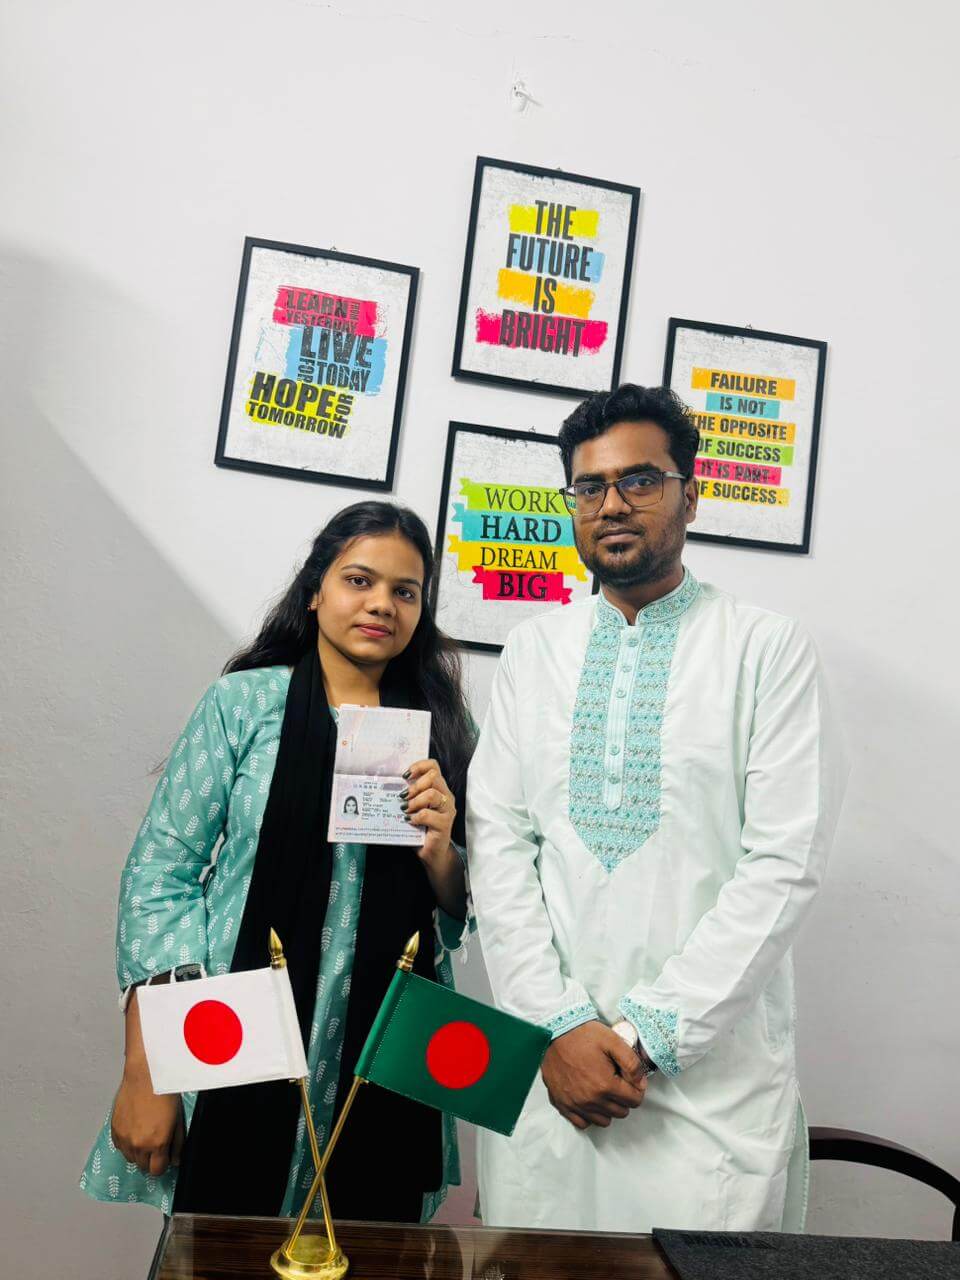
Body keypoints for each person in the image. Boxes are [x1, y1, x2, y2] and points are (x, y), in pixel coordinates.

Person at [467, 385, 845, 1233]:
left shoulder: (766, 649)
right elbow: (499, 848)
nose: (611, 505)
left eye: (639, 480)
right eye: (589, 486)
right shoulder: (532, 654)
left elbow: (783, 866)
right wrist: (558, 1026)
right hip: (552, 1076)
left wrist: (642, 1036)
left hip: (707, 1088)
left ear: (690, 495)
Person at [81, 501, 476, 1224]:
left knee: (370, 1259)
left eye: (405, 591)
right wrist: (148, 1067)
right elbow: (160, 877)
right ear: (315, 589)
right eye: (359, 580)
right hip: (231, 1036)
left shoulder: (441, 728)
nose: (381, 604)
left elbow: (462, 908)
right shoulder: (243, 705)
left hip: (379, 1054)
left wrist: (442, 851)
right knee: (216, 1256)